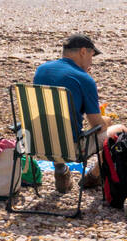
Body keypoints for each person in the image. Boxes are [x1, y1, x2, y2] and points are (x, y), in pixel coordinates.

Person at [34, 35, 115, 193]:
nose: (92, 61)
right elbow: (97, 126)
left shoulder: (41, 70)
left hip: (36, 143)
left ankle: (61, 169)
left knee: (54, 124)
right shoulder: (84, 79)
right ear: (83, 52)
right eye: (92, 55)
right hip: (71, 149)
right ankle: (92, 176)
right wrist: (107, 120)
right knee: (120, 133)